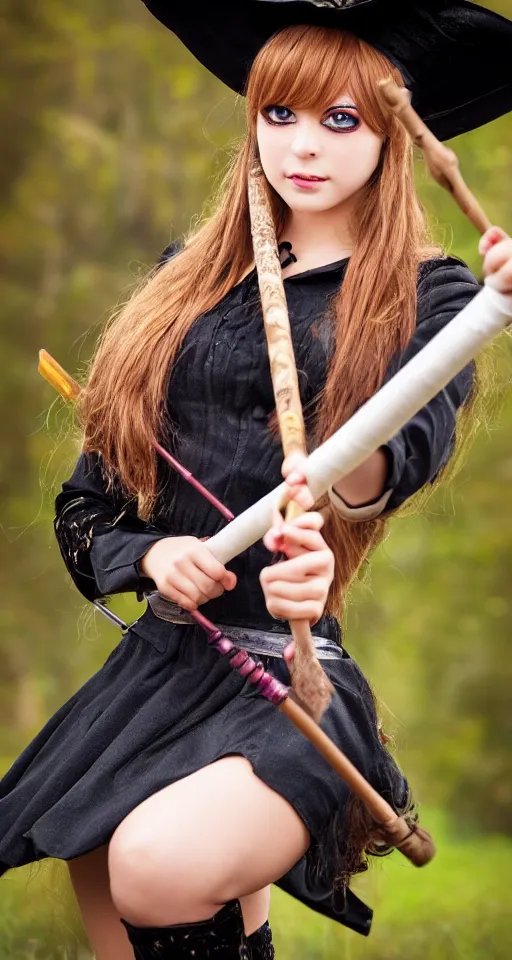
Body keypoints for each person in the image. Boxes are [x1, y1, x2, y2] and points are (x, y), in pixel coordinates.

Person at [1, 2, 512, 958]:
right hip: (155, 671)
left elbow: (374, 475)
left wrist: (488, 312)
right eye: (280, 114)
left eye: (342, 119)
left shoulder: (429, 297)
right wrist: (155, 556)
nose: (303, 145)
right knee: (117, 876)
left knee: (157, 864)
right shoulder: (181, 287)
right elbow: (89, 506)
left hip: (286, 674)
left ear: (391, 136)